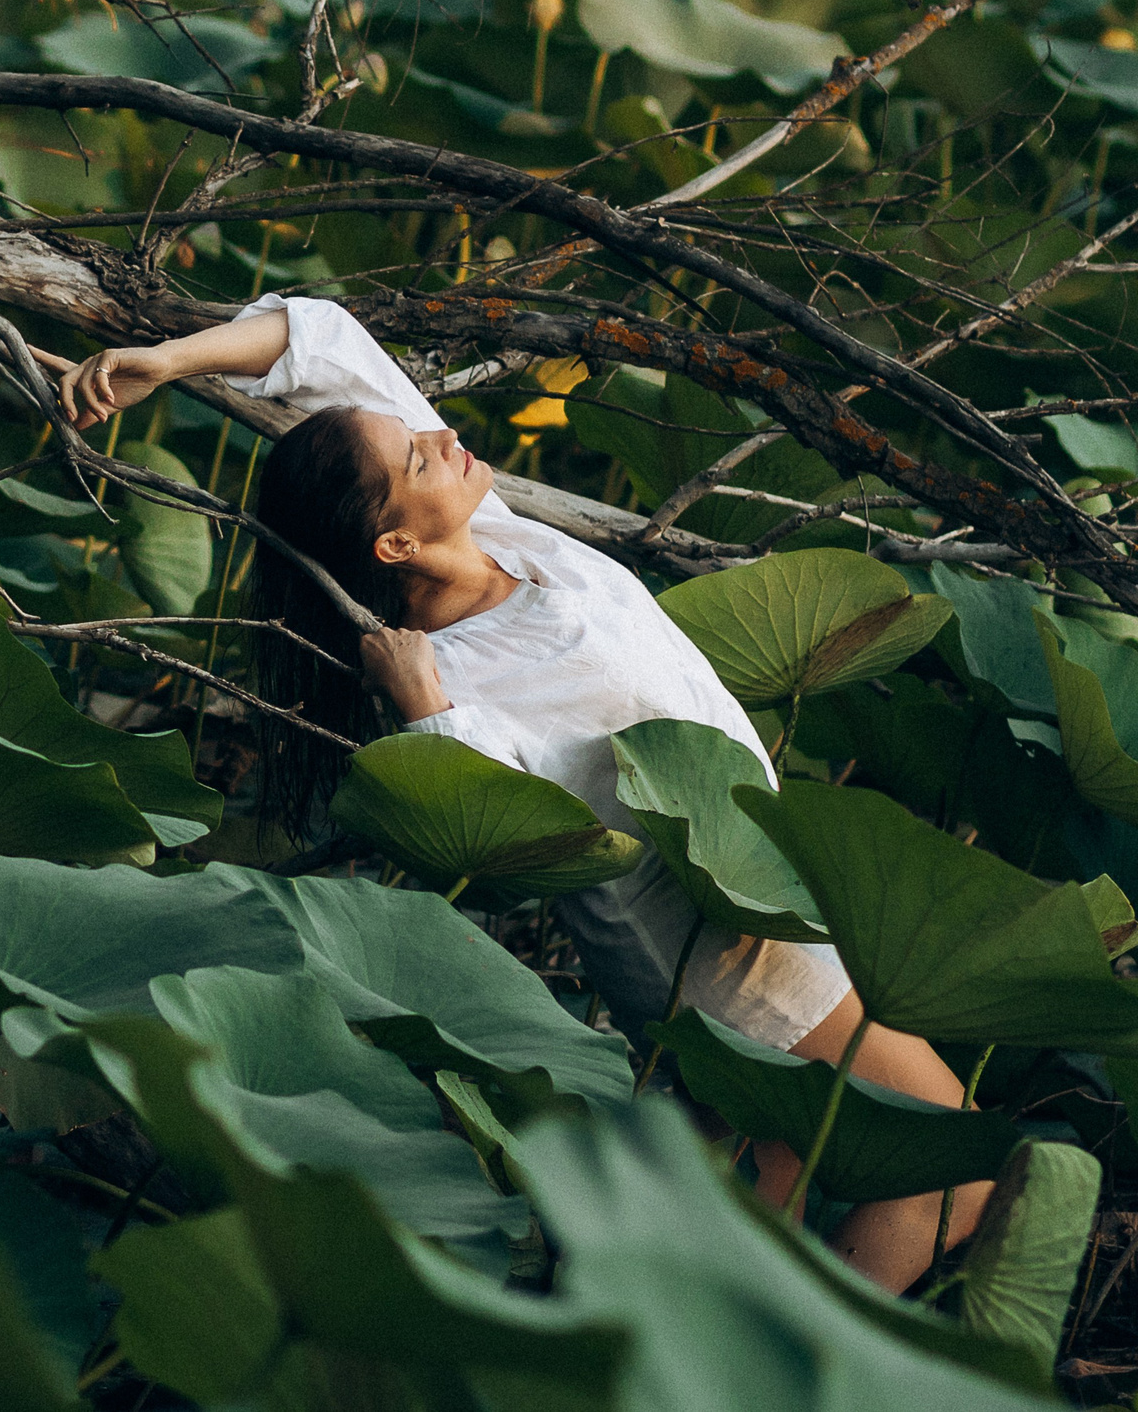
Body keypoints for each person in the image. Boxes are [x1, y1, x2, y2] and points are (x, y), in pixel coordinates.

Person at [53, 294, 991, 1293]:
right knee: (953, 1163)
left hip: (774, 897)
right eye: (416, 455)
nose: (440, 433)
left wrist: (167, 356)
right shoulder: (464, 677)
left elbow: (316, 335)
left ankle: (695, 1368)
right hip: (729, 955)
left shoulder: (494, 536)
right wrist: (423, 711)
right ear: (392, 547)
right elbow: (478, 819)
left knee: (776, 1183)